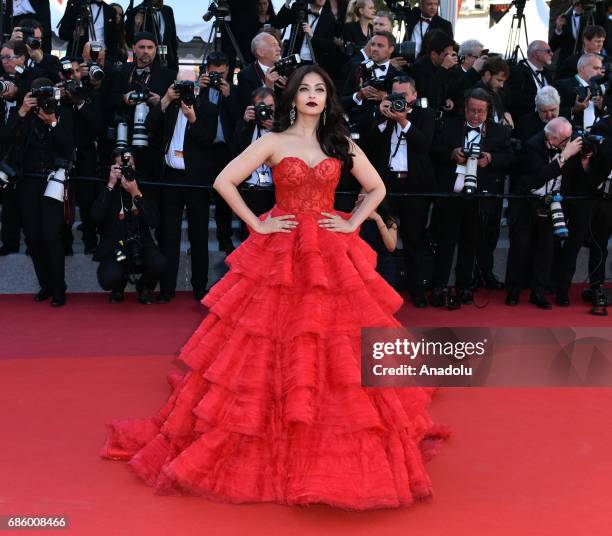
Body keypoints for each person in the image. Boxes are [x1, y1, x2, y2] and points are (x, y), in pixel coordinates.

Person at [100, 64, 449, 510]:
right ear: (292, 98)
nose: (311, 95)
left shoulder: (339, 143)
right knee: (267, 342)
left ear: (328, 99)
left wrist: (351, 223)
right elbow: (223, 181)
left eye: (319, 89)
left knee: (334, 343)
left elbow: (377, 187)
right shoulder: (272, 142)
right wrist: (257, 226)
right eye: (303, 89)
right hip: (280, 250)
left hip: (327, 252)